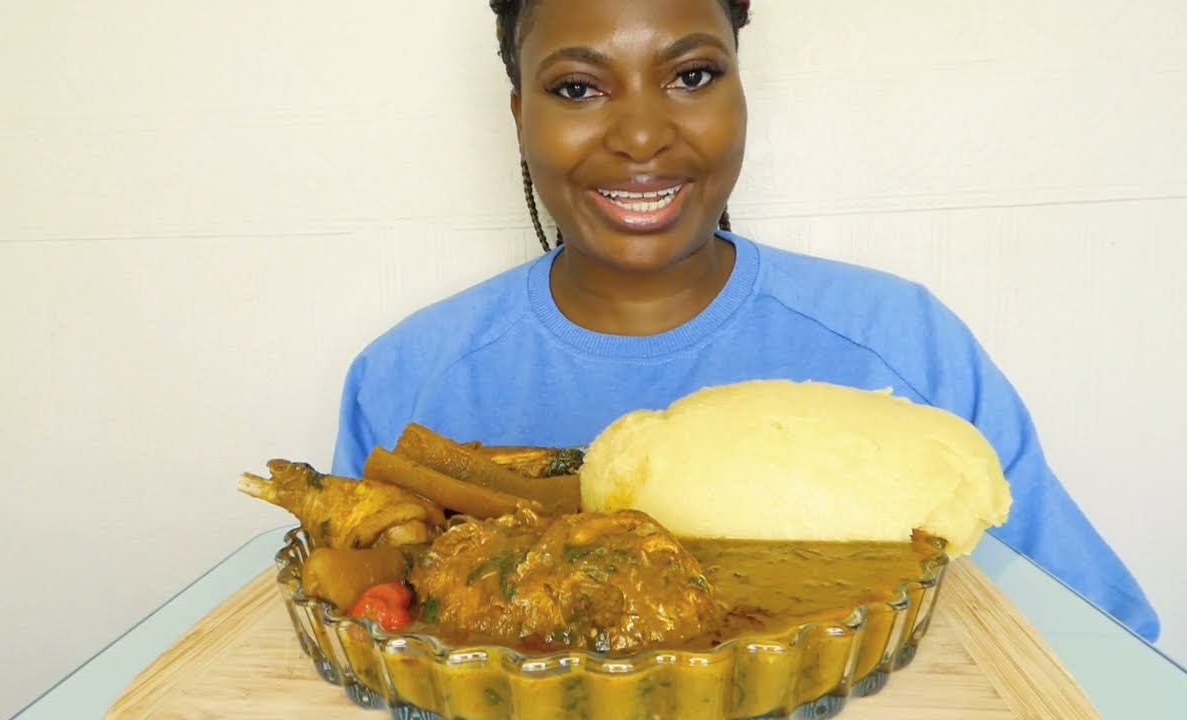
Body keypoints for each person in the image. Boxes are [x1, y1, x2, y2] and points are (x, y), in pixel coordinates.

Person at [330, 0, 1160, 641]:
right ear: (519, 115)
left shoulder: (903, 345)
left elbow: (1102, 646)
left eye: (691, 76)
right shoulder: (407, 380)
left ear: (741, 87)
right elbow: (354, 647)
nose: (645, 134)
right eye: (578, 87)